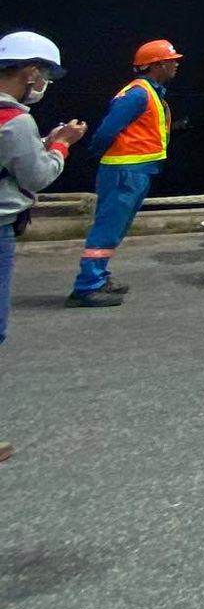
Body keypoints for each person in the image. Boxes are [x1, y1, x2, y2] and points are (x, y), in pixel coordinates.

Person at [0, 32, 88, 460]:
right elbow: (35, 176)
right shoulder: (15, 119)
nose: (44, 83)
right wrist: (60, 145)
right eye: (45, 74)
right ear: (31, 71)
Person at [69, 40, 183, 307]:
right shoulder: (137, 94)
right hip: (124, 171)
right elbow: (107, 131)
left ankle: (98, 276)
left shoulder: (151, 93)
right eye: (172, 60)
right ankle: (87, 286)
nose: (176, 64)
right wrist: (98, 152)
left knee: (115, 228)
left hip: (137, 169)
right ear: (158, 65)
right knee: (107, 227)